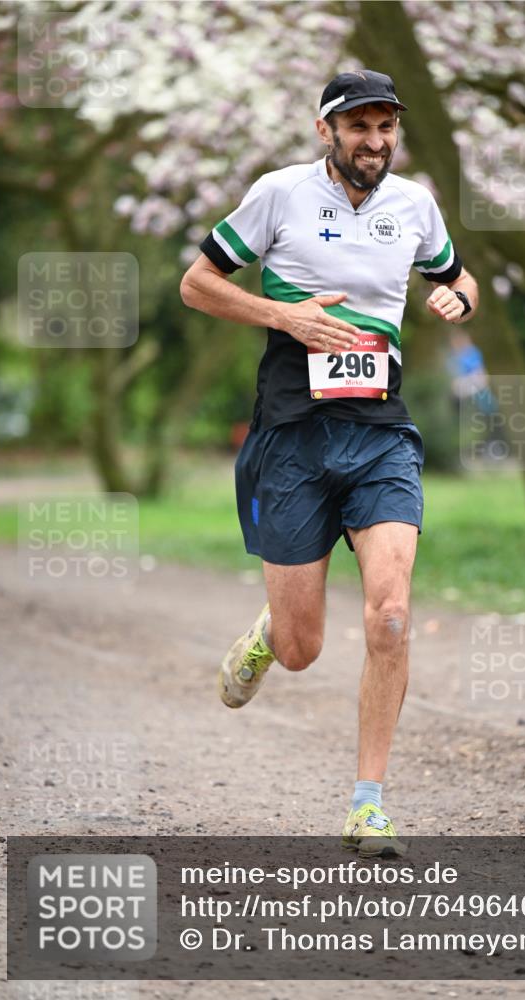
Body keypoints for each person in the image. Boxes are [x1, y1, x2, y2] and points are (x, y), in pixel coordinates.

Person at [181, 69, 479, 857]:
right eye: (359, 128)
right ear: (327, 131)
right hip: (291, 434)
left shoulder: (413, 205)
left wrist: (460, 299)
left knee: (389, 613)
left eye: (385, 128)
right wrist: (283, 315)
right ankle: (268, 633)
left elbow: (456, 274)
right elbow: (196, 283)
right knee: (299, 649)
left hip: (380, 431)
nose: (374, 143)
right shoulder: (279, 194)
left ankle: (367, 802)